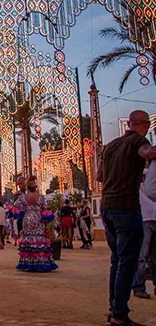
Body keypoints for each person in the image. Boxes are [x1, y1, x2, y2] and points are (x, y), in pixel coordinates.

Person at [97, 110, 156, 325]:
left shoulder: (111, 146)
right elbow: (147, 153)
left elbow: (99, 176)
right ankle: (119, 314)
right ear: (145, 125)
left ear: (129, 123)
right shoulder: (139, 141)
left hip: (107, 208)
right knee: (127, 262)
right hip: (126, 207)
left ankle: (115, 309)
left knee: (117, 261)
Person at [13, 176, 57, 272]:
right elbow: (45, 208)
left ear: (27, 187)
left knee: (28, 238)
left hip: (27, 217)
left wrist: (22, 211)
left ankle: (28, 262)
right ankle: (41, 262)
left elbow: (15, 206)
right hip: (38, 217)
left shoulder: (23, 197)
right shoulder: (40, 197)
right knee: (39, 238)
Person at [132, 168, 156, 299]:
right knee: (142, 255)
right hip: (145, 218)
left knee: (149, 255)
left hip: (149, 217)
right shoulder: (141, 175)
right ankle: (139, 286)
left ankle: (140, 285)